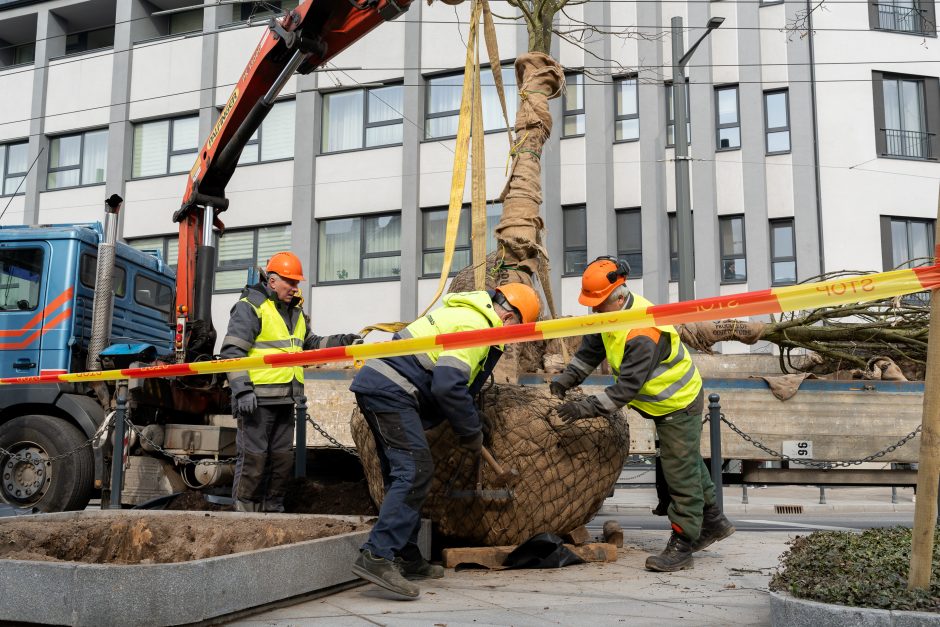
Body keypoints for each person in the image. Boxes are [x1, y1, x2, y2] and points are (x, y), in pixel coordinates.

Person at [349, 284, 541, 599]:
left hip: (381, 385)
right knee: (414, 472)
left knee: (403, 474)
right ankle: (377, 555)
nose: (511, 340)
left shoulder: (467, 314)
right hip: (392, 390)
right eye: (515, 333)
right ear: (509, 317)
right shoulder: (478, 325)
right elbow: (449, 385)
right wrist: (470, 431)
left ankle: (407, 556)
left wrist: (470, 421)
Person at [549, 256, 734, 572]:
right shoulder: (611, 316)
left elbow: (624, 391)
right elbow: (591, 351)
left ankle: (683, 544)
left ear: (619, 295)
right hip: (663, 403)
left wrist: (581, 408)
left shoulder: (642, 331)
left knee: (680, 472)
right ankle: (714, 521)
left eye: (599, 303)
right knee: (686, 461)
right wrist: (566, 380)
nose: (594, 309)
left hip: (678, 402)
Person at [220, 251, 361, 513]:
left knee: (282, 459)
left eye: (297, 283)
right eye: (291, 282)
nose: (295, 288)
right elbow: (232, 353)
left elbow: (310, 345)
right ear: (272, 281)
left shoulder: (295, 312)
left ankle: (272, 508)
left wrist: (343, 341)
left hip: (286, 399)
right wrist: (242, 391)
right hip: (256, 400)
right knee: (254, 458)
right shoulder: (250, 307)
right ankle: (244, 512)